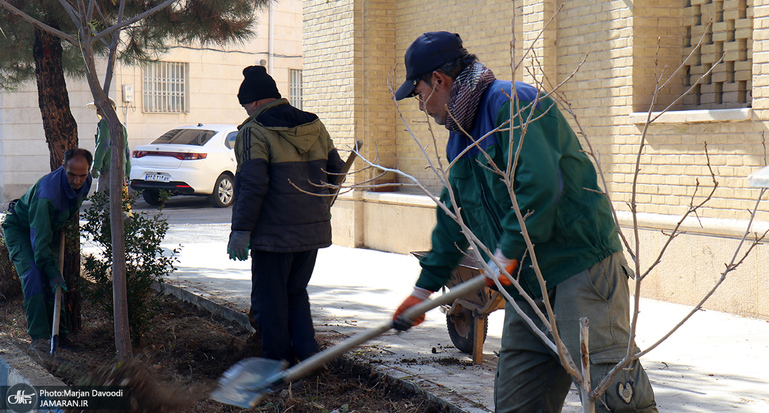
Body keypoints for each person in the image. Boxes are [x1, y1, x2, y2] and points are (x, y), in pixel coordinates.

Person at [392, 32, 658, 413]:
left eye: (419, 94)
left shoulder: (512, 105)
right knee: (516, 403)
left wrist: (506, 252)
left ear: (439, 80)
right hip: (527, 287)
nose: (421, 106)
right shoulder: (460, 139)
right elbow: (454, 217)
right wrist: (423, 291)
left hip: (578, 268)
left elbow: (541, 186)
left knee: (612, 397)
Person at [227, 65, 345, 364]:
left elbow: (252, 184)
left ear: (254, 101)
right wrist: (319, 206)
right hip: (311, 230)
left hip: (273, 234)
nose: (246, 111)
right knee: (296, 293)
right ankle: (308, 357)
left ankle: (277, 366)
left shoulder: (254, 131)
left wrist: (241, 230)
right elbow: (336, 171)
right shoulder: (314, 125)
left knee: (269, 302)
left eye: (245, 105)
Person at [2, 148, 93, 355]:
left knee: (55, 277)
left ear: (88, 170)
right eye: (72, 175)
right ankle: (39, 338)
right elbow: (39, 243)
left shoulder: (86, 181)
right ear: (62, 166)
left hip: (48, 228)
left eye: (82, 175)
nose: (77, 181)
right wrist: (51, 270)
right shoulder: (47, 195)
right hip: (20, 229)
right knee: (34, 273)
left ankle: (59, 335)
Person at [88, 98, 131, 195]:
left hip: (109, 168)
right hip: (121, 169)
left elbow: (104, 144)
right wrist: (128, 171)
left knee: (102, 199)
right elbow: (126, 151)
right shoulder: (121, 126)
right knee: (120, 198)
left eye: (99, 109)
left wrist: (96, 165)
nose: (97, 112)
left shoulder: (104, 123)